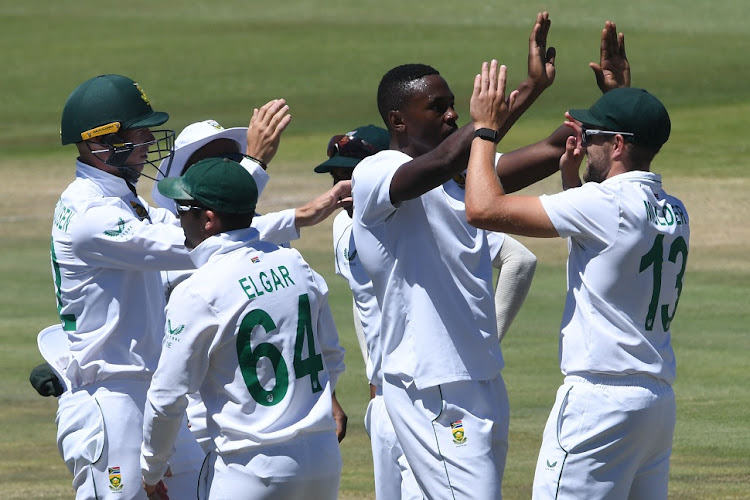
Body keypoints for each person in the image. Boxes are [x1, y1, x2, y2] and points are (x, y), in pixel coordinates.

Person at [350, 13, 557, 498]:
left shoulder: (462, 175)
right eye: (436, 107)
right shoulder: (378, 173)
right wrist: (486, 125)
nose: (451, 115)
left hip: (480, 374)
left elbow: (545, 151)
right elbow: (447, 157)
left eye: (453, 107)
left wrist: (539, 90)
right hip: (431, 381)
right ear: (398, 120)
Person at [464, 59, 686, 499]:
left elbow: (483, 209)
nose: (581, 141)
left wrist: (485, 130)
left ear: (618, 144)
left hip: (598, 403)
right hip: (654, 407)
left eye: (592, 136)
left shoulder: (607, 205)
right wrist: (574, 173)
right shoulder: (673, 210)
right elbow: (601, 246)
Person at [316, 124, 536, 499]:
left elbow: (520, 258)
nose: (342, 191)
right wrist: (374, 370)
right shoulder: (342, 228)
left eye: (349, 176)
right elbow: (364, 298)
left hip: (427, 391)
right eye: (335, 177)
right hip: (385, 398)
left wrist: (482, 338)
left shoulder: (429, 210)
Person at [141, 157, 346, 500]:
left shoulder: (197, 290)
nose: (179, 221)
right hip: (323, 459)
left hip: (252, 469)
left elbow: (167, 396)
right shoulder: (294, 263)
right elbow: (332, 357)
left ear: (207, 219)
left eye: (182, 211)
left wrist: (152, 468)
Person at [52, 74, 207, 499]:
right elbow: (192, 244)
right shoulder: (92, 212)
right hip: (113, 401)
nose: (147, 143)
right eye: (139, 134)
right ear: (101, 142)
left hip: (150, 392)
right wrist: (265, 187)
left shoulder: (125, 200)